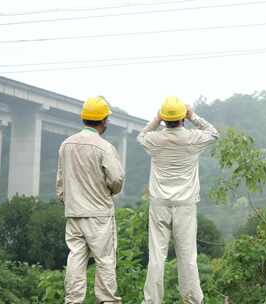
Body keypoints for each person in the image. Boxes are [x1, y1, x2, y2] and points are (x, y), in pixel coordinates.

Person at [137, 96, 219, 304]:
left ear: (164, 119)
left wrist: (156, 119)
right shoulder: (193, 138)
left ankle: (152, 301)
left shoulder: (155, 140)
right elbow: (213, 133)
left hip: (159, 203)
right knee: (187, 256)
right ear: (182, 118)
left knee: (157, 256)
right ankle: (192, 300)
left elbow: (141, 135)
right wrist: (193, 116)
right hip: (185, 204)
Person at [56, 96, 124, 304]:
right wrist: (109, 192)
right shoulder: (104, 147)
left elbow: (61, 180)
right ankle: (107, 301)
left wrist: (67, 200)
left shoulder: (66, 145)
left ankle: (73, 300)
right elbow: (116, 179)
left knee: (76, 257)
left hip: (74, 212)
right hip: (99, 214)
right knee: (105, 260)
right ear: (104, 120)